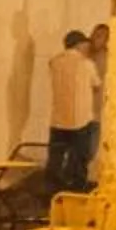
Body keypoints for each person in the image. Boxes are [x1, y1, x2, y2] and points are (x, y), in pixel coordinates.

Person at [37, 28, 100, 189]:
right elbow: (96, 85)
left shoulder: (55, 62)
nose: (87, 46)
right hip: (81, 120)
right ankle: (77, 190)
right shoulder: (87, 64)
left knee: (55, 158)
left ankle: (51, 189)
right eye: (85, 43)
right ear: (79, 45)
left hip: (58, 120)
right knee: (80, 158)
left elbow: (52, 65)